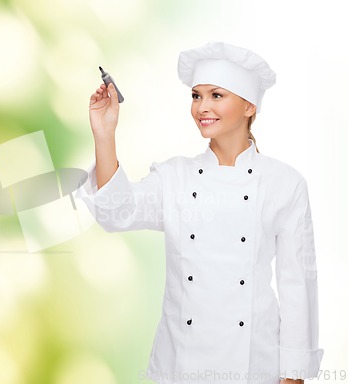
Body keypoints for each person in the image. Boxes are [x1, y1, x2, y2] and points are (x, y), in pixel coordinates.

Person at [75, 42, 323, 384]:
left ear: (250, 105)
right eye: (196, 96)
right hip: (182, 365)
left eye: (216, 95)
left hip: (254, 364)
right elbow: (116, 213)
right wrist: (105, 134)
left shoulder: (284, 184)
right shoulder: (175, 177)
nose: (201, 107)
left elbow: (298, 284)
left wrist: (294, 374)